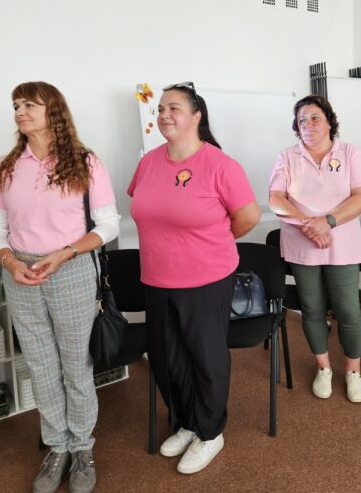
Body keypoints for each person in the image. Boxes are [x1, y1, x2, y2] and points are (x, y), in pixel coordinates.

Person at [0, 82, 120, 493]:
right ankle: (57, 447)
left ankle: (82, 448)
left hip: (71, 268)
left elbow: (109, 223)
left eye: (29, 104)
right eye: (16, 105)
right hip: (21, 274)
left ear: (53, 111)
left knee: (76, 366)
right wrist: (10, 262)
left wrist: (65, 253)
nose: (19, 111)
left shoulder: (85, 162)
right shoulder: (6, 167)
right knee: (41, 366)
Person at [128, 82, 260, 474]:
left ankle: (210, 431)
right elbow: (145, 206)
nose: (164, 115)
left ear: (196, 116)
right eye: (160, 109)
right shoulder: (149, 163)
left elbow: (248, 217)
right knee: (167, 359)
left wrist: (211, 242)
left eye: (174, 108)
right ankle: (188, 422)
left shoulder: (220, 165)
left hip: (206, 279)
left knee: (206, 359)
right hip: (156, 278)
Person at [269, 94, 361, 403]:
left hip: (343, 243)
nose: (308, 124)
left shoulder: (349, 152)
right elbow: (276, 198)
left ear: (329, 122)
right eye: (302, 120)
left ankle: (353, 371)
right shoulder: (287, 156)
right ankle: (324, 368)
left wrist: (327, 222)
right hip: (302, 245)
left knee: (348, 310)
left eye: (315, 117)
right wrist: (309, 225)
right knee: (312, 309)